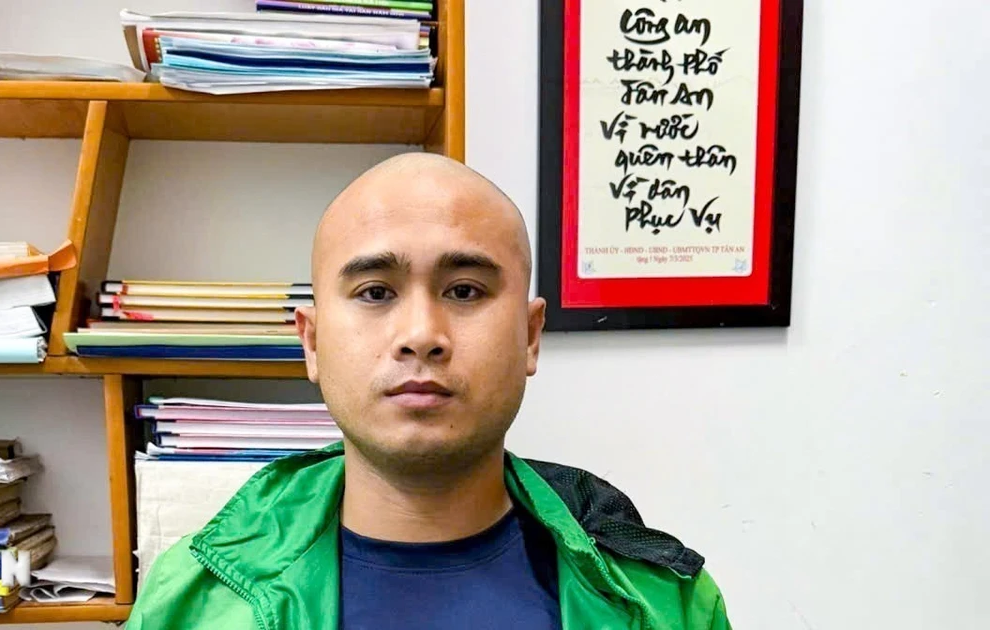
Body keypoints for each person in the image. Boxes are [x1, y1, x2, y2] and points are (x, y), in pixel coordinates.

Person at [126, 153, 731, 630]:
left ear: (529, 336)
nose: (420, 335)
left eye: (464, 291)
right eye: (375, 292)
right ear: (312, 341)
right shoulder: (189, 603)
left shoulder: (665, 603)